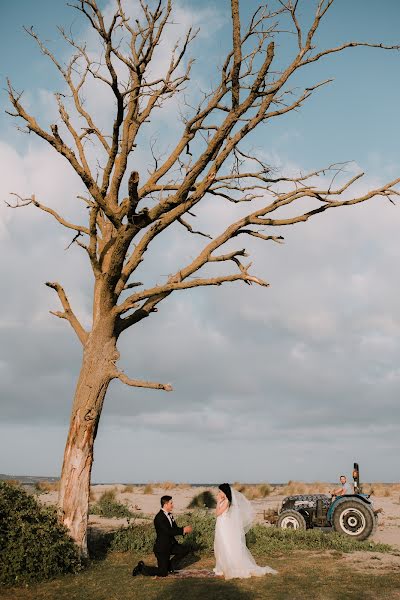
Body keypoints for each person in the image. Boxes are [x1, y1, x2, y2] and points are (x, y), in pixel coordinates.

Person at [213, 483, 277, 579]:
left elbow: (218, 513)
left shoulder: (226, 502)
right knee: (221, 544)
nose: (218, 493)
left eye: (220, 491)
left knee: (225, 544)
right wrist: (219, 501)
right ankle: (222, 566)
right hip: (221, 524)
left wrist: (218, 502)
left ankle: (231, 566)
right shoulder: (223, 500)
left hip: (224, 526)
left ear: (224, 492)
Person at [132, 495, 192, 577]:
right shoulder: (159, 518)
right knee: (163, 573)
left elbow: (174, 528)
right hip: (162, 548)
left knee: (186, 549)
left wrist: (184, 530)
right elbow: (168, 531)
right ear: (166, 504)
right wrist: (183, 530)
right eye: (171, 503)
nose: (173, 505)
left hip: (171, 545)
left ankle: (170, 566)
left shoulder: (170, 515)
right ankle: (141, 568)